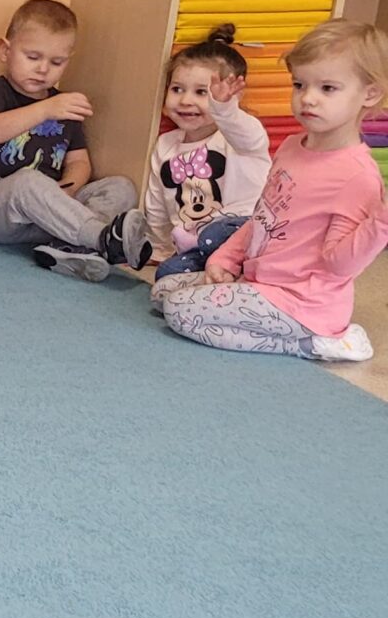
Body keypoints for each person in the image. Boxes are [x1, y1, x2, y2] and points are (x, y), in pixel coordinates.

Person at [156, 20, 386, 362]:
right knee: (162, 292)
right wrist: (225, 258)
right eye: (299, 84)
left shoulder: (357, 175)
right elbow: (262, 218)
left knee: (180, 312)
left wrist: (382, 222)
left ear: (370, 94)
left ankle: (317, 343)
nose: (308, 98)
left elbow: (340, 265)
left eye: (327, 88)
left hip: (301, 303)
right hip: (258, 283)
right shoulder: (293, 146)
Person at [0, 0, 142, 280]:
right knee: (28, 181)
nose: (43, 69)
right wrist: (45, 110)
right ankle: (100, 238)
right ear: (5, 50)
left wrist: (67, 190)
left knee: (120, 186)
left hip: (48, 214)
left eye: (56, 62)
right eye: (33, 57)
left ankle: (70, 248)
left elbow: (79, 162)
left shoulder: (63, 105)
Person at [143, 22, 269, 280]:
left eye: (202, 92)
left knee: (216, 231)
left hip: (243, 236)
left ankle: (238, 274)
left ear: (234, 97)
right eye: (177, 89)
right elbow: (156, 204)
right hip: (197, 247)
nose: (185, 100)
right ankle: (218, 279)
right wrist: (159, 248)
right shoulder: (166, 145)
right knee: (168, 274)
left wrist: (224, 108)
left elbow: (243, 130)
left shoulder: (240, 139)